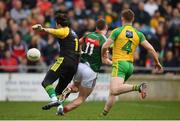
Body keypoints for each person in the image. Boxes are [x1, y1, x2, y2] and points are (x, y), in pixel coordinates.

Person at [101, 9, 163, 116]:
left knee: (115, 90)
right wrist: (157, 62)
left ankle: (139, 87)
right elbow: (151, 49)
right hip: (130, 66)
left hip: (119, 63)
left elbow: (105, 46)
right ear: (133, 19)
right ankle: (103, 115)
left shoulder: (117, 31)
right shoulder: (138, 34)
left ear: (122, 19)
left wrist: (103, 55)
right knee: (113, 91)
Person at [56, 19, 111, 115]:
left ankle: (63, 94)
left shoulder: (88, 35)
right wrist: (114, 62)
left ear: (96, 27)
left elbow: (76, 44)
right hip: (91, 71)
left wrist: (80, 52)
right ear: (106, 28)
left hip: (80, 66)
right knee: (82, 97)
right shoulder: (105, 41)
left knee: (75, 87)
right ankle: (63, 110)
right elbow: (104, 60)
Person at [32, 13, 80, 110]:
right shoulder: (73, 33)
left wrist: (42, 29)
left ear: (58, 24)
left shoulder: (64, 31)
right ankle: (60, 108)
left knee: (46, 82)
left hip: (64, 61)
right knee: (59, 91)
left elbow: (55, 31)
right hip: (74, 65)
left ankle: (54, 100)